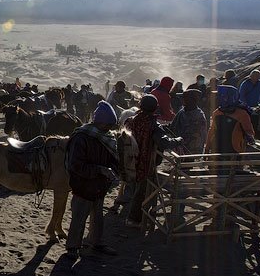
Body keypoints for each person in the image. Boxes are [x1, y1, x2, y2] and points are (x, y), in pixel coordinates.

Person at [64, 101, 119, 257]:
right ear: (99, 122)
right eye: (107, 125)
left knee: (97, 217)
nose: (109, 128)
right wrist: (100, 170)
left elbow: (111, 159)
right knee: (79, 218)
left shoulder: (106, 137)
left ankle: (96, 242)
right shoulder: (81, 137)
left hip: (99, 185)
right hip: (83, 185)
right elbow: (75, 166)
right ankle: (73, 247)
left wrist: (114, 170)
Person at [125, 95, 182, 227]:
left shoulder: (131, 120)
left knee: (136, 190)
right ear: (156, 108)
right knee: (142, 192)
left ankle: (140, 216)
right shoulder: (153, 125)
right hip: (145, 164)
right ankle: (134, 219)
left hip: (131, 161)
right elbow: (164, 142)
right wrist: (178, 140)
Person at [205, 85, 255, 155]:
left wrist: (249, 137)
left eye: (222, 96)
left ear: (230, 98)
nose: (218, 98)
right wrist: (207, 148)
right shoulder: (217, 112)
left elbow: (249, 131)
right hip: (216, 150)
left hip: (234, 151)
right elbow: (211, 131)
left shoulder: (242, 114)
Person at [169, 89, 207, 154]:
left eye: (184, 98)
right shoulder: (182, 111)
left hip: (192, 149)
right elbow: (173, 126)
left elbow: (199, 135)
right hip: (180, 146)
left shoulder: (199, 115)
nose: (182, 100)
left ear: (191, 100)